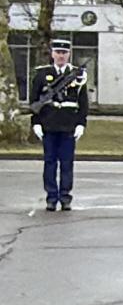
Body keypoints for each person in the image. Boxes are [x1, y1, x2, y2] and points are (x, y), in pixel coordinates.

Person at [29, 38, 88, 211]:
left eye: (64, 53)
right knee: (50, 163)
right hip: (49, 124)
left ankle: (65, 197)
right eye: (58, 52)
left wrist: (81, 124)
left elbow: (83, 102)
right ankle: (51, 197)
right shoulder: (42, 74)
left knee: (67, 164)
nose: (61, 56)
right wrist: (36, 123)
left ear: (69, 54)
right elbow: (34, 101)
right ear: (52, 54)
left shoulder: (77, 75)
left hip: (68, 125)